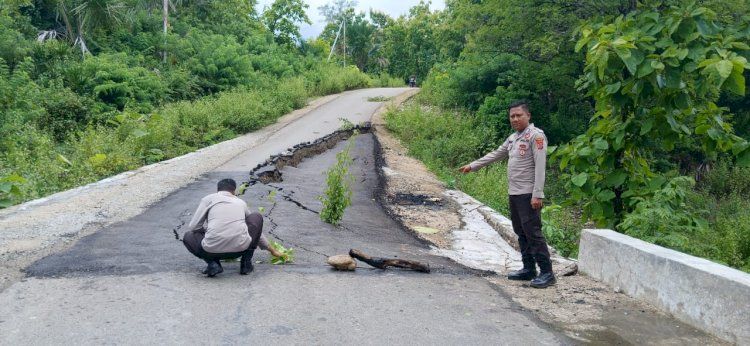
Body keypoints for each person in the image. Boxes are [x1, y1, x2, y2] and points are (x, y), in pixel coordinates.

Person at [458, 100, 555, 288]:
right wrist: (473, 166)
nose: (515, 119)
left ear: (528, 116)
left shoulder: (536, 137)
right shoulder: (513, 138)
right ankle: (528, 269)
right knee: (521, 232)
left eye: (519, 115)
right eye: (512, 116)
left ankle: (547, 273)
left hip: (528, 194)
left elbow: (541, 168)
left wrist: (538, 194)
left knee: (533, 233)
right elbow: (496, 154)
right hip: (515, 193)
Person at [182, 178, 284, 277]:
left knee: (188, 236)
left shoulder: (208, 199)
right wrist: (272, 250)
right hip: (240, 250)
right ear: (234, 191)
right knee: (255, 217)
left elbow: (194, 227)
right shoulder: (241, 202)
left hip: (211, 251)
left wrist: (207, 231)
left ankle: (213, 263)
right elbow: (256, 229)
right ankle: (246, 264)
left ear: (217, 190)